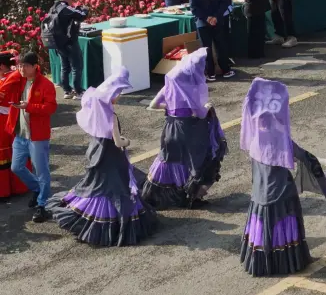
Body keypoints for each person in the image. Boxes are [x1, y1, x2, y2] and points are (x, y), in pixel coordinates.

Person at [240, 78, 326, 277]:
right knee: (285, 228)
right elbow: (301, 155)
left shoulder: (255, 137)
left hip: (260, 194)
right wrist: (322, 161)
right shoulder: (279, 135)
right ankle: (289, 262)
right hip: (282, 193)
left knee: (263, 229)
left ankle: (263, 263)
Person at [49, 67, 157, 246]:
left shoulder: (96, 110)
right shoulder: (111, 115)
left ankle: (87, 216)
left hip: (96, 151)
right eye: (119, 92)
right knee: (115, 188)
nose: (119, 95)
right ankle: (114, 222)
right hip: (112, 156)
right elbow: (117, 142)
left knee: (96, 186)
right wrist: (126, 142)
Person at [142, 48, 227, 208]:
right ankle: (190, 195)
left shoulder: (171, 84)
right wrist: (208, 107)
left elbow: (153, 105)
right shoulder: (192, 88)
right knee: (196, 160)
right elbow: (200, 114)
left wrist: (171, 108)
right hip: (188, 130)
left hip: (170, 128)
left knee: (169, 159)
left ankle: (156, 195)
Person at [0, 51, 57, 222]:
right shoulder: (19, 80)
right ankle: (39, 189)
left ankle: (42, 205)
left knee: (42, 171)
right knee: (16, 167)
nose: (21, 69)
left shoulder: (45, 84)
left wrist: (29, 106)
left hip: (37, 136)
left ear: (34, 66)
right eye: (19, 65)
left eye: (25, 65)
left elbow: (50, 108)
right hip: (20, 134)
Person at [189, 0, 234, 81]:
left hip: (202, 23)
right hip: (218, 20)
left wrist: (206, 18)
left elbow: (194, 8)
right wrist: (215, 17)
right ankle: (226, 70)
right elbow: (225, 3)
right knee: (220, 45)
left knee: (206, 47)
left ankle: (210, 73)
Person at [47, 0, 89, 100]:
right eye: (72, 1)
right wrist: (84, 9)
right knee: (76, 67)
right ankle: (79, 92)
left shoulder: (53, 8)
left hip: (57, 43)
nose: (72, 3)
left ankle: (67, 91)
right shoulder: (65, 7)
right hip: (69, 42)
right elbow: (81, 15)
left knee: (65, 67)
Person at [0, 52, 31, 199]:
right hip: (7, 118)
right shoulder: (9, 76)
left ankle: (7, 189)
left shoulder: (12, 78)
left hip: (5, 120)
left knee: (7, 153)